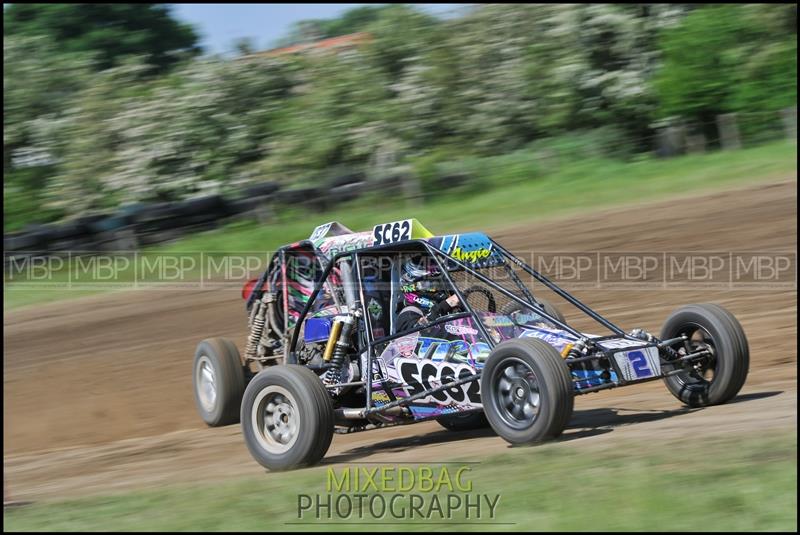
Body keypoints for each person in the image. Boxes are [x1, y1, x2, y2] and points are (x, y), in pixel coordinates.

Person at [395, 255, 461, 333]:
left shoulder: (447, 306)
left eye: (439, 283)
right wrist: (445, 305)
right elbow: (418, 333)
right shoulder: (407, 314)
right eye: (432, 284)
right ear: (412, 287)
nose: (439, 288)